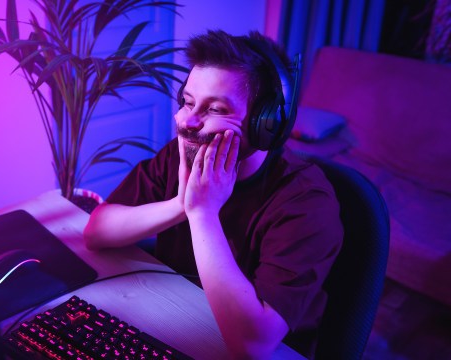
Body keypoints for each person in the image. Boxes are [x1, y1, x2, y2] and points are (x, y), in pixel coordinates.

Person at [83, 30, 343, 359]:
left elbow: (252, 344)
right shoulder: (184, 157)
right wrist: (181, 205)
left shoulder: (307, 203)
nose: (186, 121)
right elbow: (96, 232)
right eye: (188, 102)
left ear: (265, 124)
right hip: (179, 317)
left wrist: (203, 214)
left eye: (215, 109)